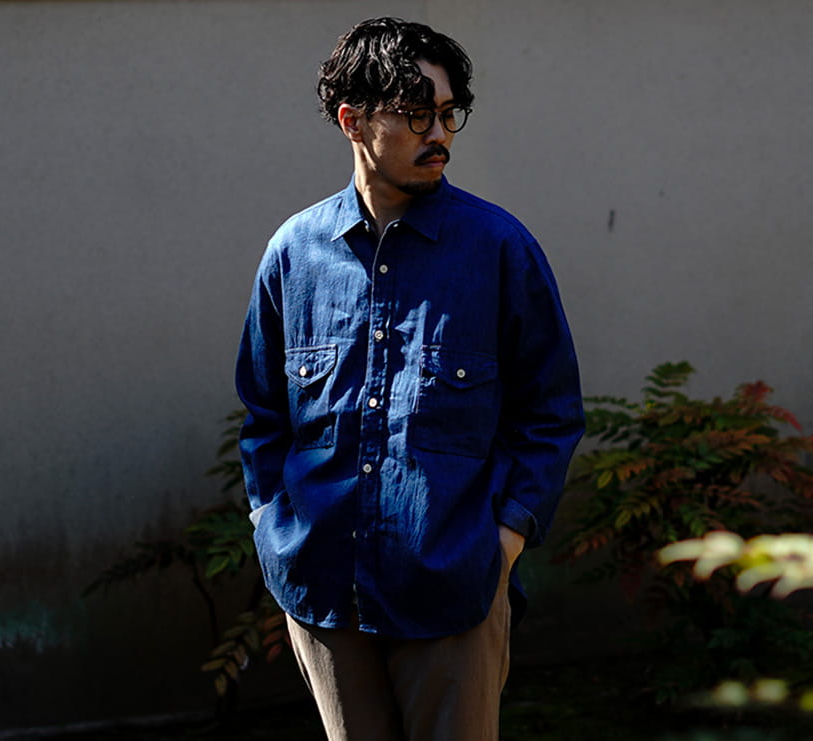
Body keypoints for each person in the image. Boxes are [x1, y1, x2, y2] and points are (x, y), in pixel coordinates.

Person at [233, 16, 586, 741]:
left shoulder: (499, 249)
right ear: (352, 121)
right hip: (323, 590)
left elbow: (550, 412)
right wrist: (271, 524)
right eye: (417, 114)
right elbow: (264, 414)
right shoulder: (294, 254)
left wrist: (503, 542)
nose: (441, 133)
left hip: (454, 588)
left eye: (449, 113)